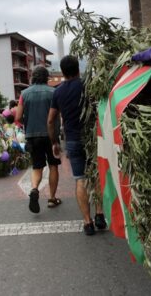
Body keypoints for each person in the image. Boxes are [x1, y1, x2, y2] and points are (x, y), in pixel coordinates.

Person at [47, 55, 107, 235]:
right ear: (78, 69)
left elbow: (50, 120)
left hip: (72, 139)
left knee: (80, 179)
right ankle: (99, 214)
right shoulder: (89, 86)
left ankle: (87, 223)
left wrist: (54, 142)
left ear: (63, 72)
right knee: (96, 177)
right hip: (93, 138)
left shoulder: (58, 92)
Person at [16, 66, 62, 213]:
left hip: (32, 135)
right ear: (46, 77)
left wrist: (28, 124)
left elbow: (17, 117)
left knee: (37, 167)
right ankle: (52, 198)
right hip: (51, 136)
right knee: (53, 166)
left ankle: (35, 189)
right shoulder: (54, 92)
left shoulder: (24, 93)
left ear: (33, 77)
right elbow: (58, 115)